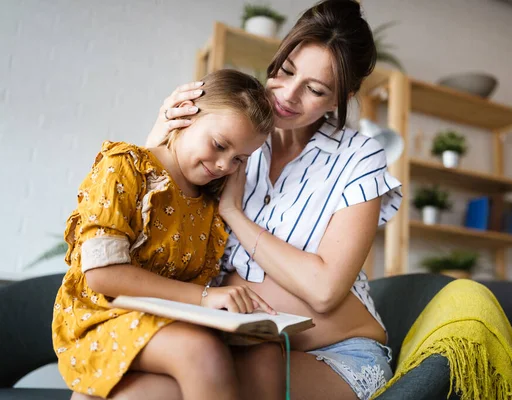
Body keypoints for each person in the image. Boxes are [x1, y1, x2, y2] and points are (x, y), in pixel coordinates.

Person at [147, 1, 404, 399]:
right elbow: (155, 228)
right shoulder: (229, 128)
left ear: (343, 97)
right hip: (232, 340)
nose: (287, 95)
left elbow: (323, 290)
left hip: (333, 353)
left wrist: (234, 213)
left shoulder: (357, 156)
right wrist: (159, 144)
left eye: (315, 90)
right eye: (284, 71)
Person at [52, 69, 283, 400]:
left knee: (265, 350)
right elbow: (102, 275)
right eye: (219, 145)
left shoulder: (208, 206)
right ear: (186, 114)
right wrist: (206, 297)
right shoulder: (124, 166)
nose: (223, 166)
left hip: (167, 321)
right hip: (102, 317)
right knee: (200, 352)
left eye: (239, 160)